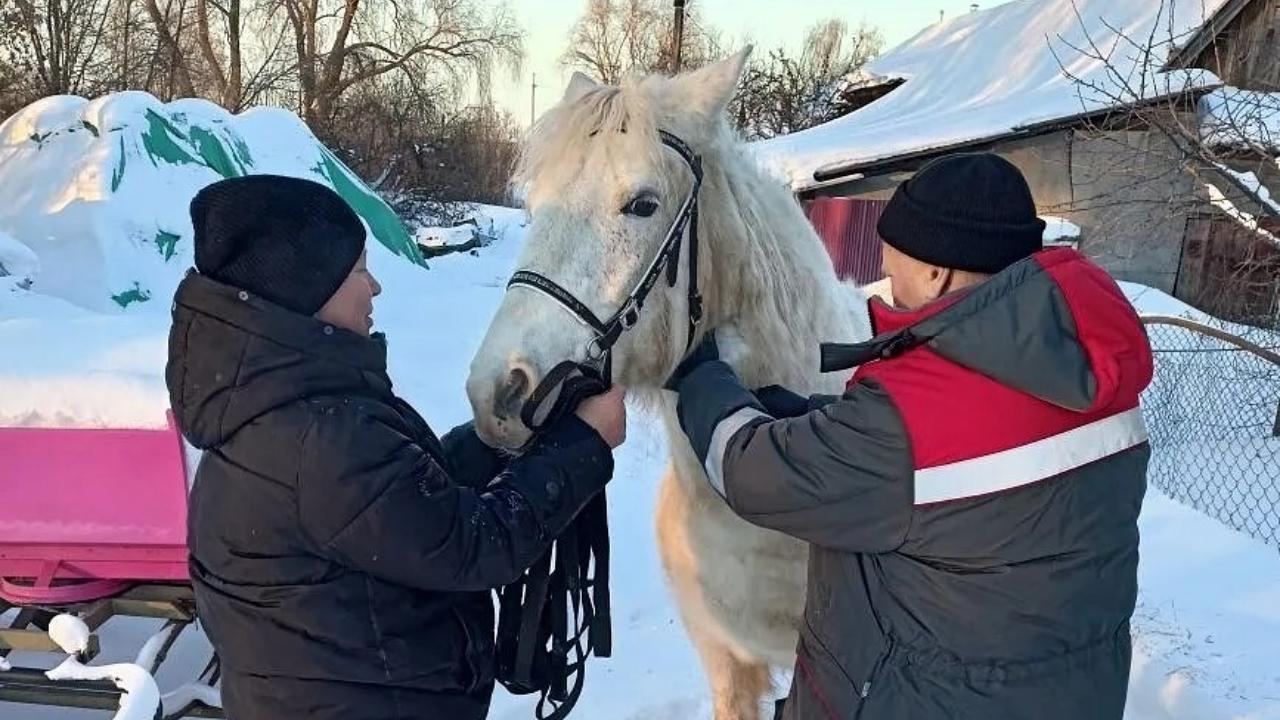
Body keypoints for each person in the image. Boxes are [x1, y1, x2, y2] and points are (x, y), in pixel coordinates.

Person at [666, 153, 1154, 719]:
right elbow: (958, 446)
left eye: (891, 261)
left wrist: (702, 379)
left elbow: (751, 473)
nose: (885, 278)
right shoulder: (1090, 377)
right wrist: (808, 413)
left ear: (935, 274)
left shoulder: (906, 422)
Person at [165, 175, 626, 720]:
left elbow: (397, 508)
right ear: (308, 288)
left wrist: (495, 439)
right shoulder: (317, 438)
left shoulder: (277, 407)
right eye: (359, 269)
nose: (376, 287)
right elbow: (475, 546)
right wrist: (584, 444)